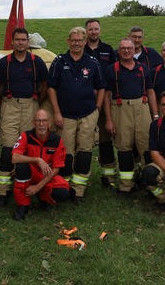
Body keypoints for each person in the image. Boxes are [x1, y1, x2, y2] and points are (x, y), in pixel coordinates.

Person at [47, 27, 106, 204]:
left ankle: (78, 190)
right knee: (66, 154)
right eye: (73, 40)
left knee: (84, 152)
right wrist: (56, 112)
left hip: (88, 114)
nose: (77, 43)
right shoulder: (59, 61)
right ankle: (63, 186)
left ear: (85, 42)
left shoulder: (93, 62)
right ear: (68, 41)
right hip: (64, 115)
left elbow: (101, 86)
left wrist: (97, 108)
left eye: (80, 40)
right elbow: (51, 88)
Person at [0, 28, 48, 206]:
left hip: (31, 105)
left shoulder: (36, 61)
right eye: (17, 40)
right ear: (12, 42)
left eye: (24, 40)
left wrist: (36, 103)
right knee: (8, 147)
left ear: (27, 42)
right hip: (9, 105)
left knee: (28, 148)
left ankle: (27, 185)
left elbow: (44, 85)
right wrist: (3, 106)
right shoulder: (4, 62)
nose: (21, 43)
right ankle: (3, 190)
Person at [103, 38, 158, 194]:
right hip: (120, 110)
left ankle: (150, 183)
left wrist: (155, 115)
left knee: (146, 147)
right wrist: (108, 119)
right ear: (118, 51)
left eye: (129, 48)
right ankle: (126, 185)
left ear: (134, 50)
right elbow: (107, 95)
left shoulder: (144, 69)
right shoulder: (111, 70)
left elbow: (151, 92)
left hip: (142, 108)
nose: (126, 51)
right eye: (123, 48)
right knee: (124, 147)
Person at [11, 109, 70, 220]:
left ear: (50, 123)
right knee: (21, 167)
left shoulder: (57, 140)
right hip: (30, 173)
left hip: (46, 176)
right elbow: (14, 158)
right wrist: (37, 160)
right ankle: (23, 206)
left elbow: (56, 169)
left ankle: (43, 199)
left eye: (44, 121)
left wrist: (38, 187)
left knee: (63, 191)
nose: (41, 124)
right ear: (33, 123)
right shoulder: (26, 136)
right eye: (38, 121)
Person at [83, 18, 118, 189]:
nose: (94, 32)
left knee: (105, 139)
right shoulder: (79, 49)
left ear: (100, 30)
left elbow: (113, 74)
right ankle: (82, 175)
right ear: (86, 31)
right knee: (85, 139)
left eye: (96, 29)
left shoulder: (108, 50)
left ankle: (108, 176)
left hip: (106, 101)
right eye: (90, 29)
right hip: (85, 101)